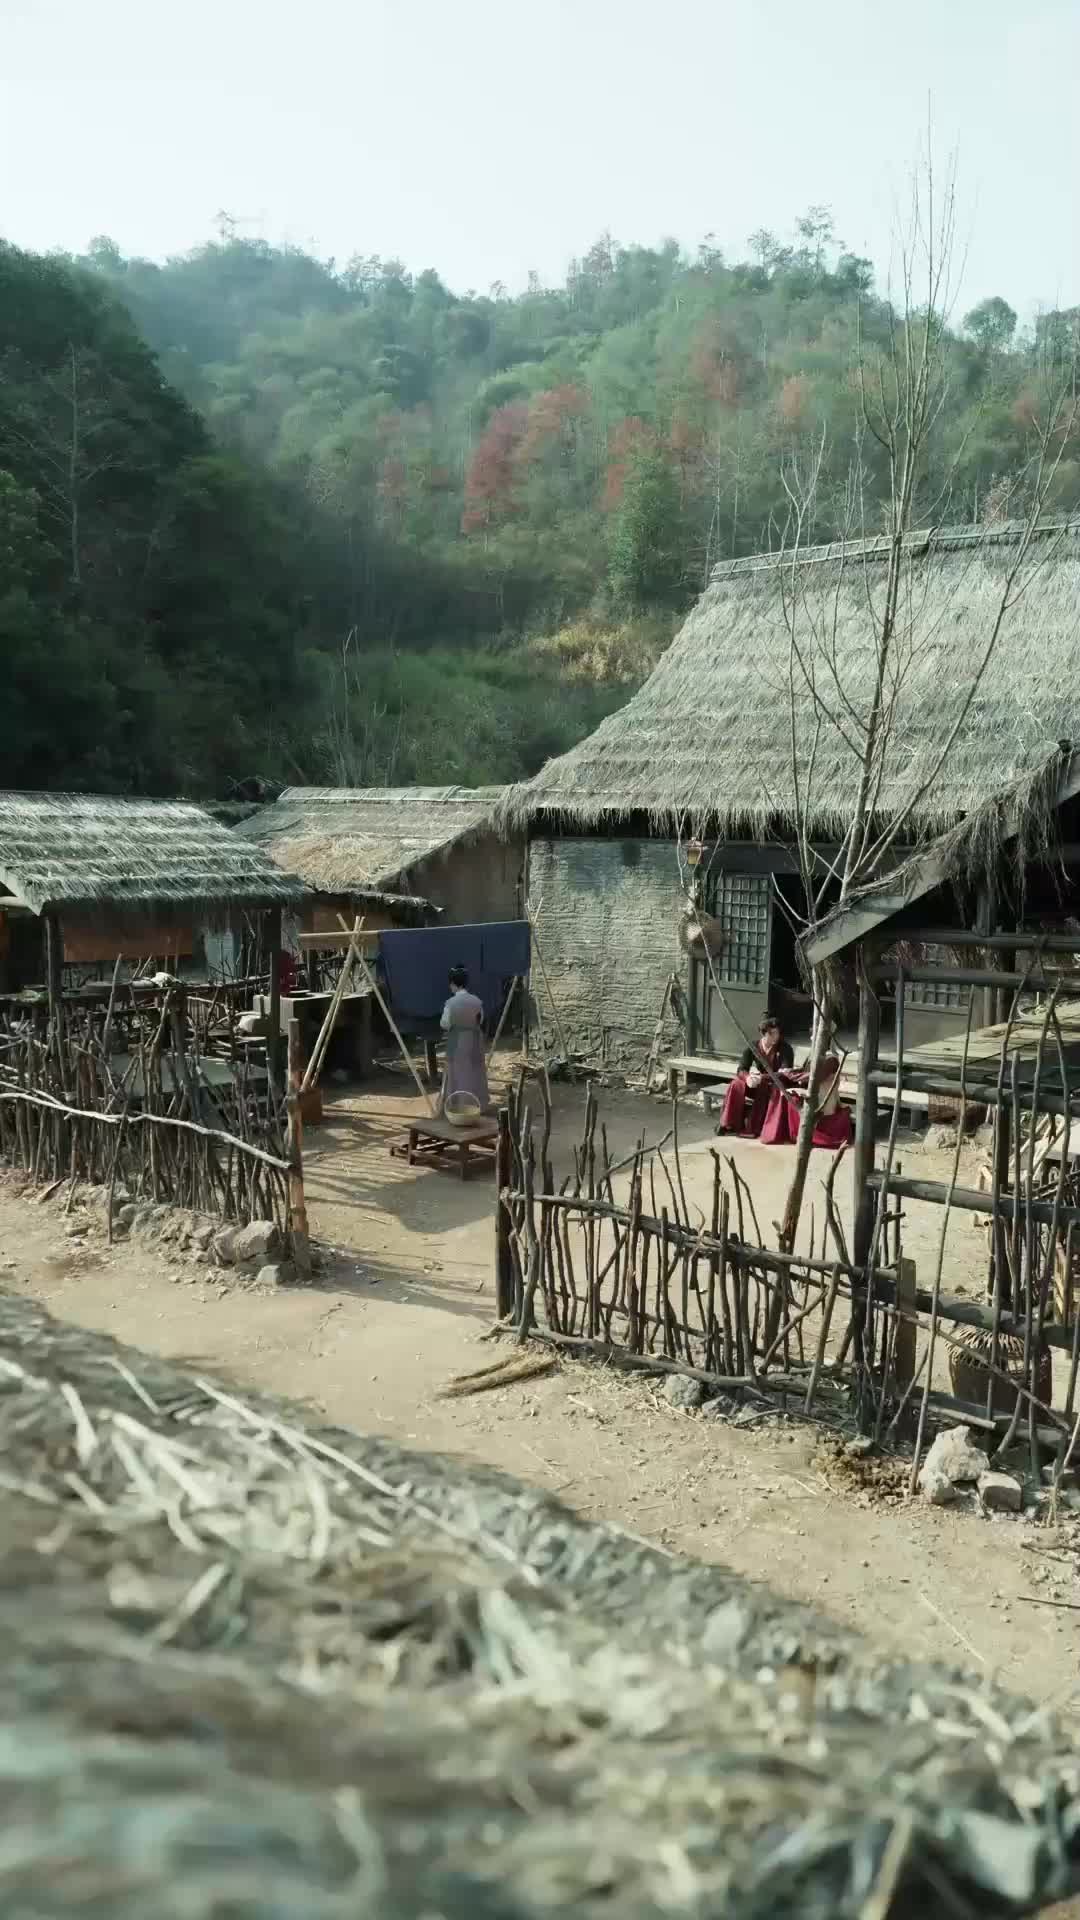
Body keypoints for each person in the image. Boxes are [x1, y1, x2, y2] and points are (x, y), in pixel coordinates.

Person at [716, 1013, 794, 1137]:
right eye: (771, 1033)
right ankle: (730, 1124)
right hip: (757, 1083)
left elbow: (785, 1073)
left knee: (766, 1085)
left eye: (777, 1033)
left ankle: (754, 1127)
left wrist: (762, 1077)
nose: (776, 1036)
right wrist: (748, 1078)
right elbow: (741, 1068)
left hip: (775, 1085)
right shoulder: (753, 1046)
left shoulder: (785, 1048)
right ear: (763, 1033)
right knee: (736, 1084)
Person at [439, 964, 490, 1113]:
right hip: (474, 1041)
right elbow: (480, 1020)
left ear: (453, 984)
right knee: (475, 1071)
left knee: (457, 1073)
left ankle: (457, 1105)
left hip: (457, 1042)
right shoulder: (477, 1001)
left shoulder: (450, 1004)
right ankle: (476, 1104)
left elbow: (445, 1023)